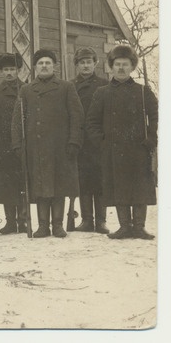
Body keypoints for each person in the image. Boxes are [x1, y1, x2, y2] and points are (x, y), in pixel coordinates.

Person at [86, 45, 158, 240]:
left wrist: (151, 138)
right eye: (117, 64)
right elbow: (91, 121)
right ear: (111, 66)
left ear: (132, 66)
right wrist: (101, 142)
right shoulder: (102, 92)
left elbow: (155, 116)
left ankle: (139, 227)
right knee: (119, 186)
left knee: (139, 186)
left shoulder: (143, 92)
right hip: (113, 150)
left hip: (139, 148)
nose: (121, 68)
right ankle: (124, 226)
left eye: (125, 65)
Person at [11, 49, 84, 238]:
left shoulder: (66, 87)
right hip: (36, 147)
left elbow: (77, 117)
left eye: (48, 63)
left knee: (58, 186)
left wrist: (74, 141)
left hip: (60, 147)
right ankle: (43, 225)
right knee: (40, 186)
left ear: (54, 66)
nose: (44, 66)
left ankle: (57, 225)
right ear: (35, 67)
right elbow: (17, 120)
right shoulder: (26, 89)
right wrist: (18, 144)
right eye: (40, 63)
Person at [0, 53, 28, 234]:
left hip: (22, 143)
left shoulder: (27, 89)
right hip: (3, 144)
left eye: (12, 69)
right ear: (1, 72)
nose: (9, 73)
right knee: (5, 184)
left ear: (18, 70)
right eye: (6, 70)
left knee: (23, 182)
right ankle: (10, 221)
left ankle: (23, 219)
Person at [72, 47, 110, 234]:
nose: (85, 66)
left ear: (95, 63)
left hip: (99, 140)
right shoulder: (70, 86)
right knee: (83, 180)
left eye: (89, 62)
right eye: (81, 62)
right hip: (80, 140)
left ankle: (101, 221)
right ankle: (87, 220)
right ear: (76, 66)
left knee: (100, 179)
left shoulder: (104, 85)